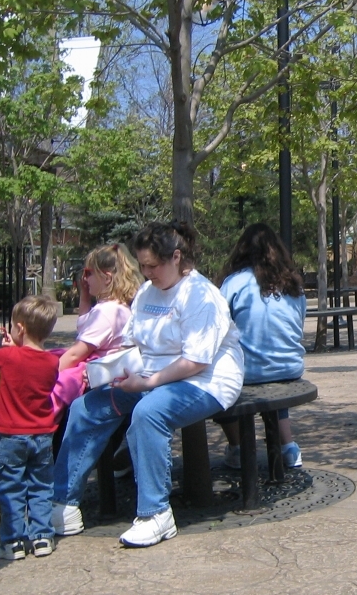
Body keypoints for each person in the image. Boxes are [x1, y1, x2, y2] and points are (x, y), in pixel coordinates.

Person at [51, 222, 244, 548]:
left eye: (152, 265)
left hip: (206, 380)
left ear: (176, 257)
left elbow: (196, 361)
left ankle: (156, 513)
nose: (146, 271)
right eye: (142, 264)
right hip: (149, 375)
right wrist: (112, 370)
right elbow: (134, 345)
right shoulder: (145, 292)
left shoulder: (202, 295)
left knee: (149, 413)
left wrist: (148, 382)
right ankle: (62, 504)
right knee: (86, 407)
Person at [0, 296, 60, 561]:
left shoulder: (8, 357)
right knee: (40, 486)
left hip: (10, 436)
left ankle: (14, 541)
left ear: (20, 328)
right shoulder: (52, 362)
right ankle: (43, 537)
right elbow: (27, 365)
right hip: (42, 435)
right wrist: (14, 349)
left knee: (10, 488)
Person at [218, 223, 307, 469]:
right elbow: (298, 325)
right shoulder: (293, 285)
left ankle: (238, 448)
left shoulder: (234, 283)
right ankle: (288, 447)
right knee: (272, 374)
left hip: (248, 372)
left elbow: (218, 326)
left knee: (215, 382)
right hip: (289, 367)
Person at [50, 244, 143, 417]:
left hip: (97, 379)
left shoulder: (105, 312)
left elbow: (75, 354)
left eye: (89, 273)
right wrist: (84, 296)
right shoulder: (118, 307)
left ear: (107, 278)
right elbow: (85, 327)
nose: (85, 279)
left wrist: (45, 378)